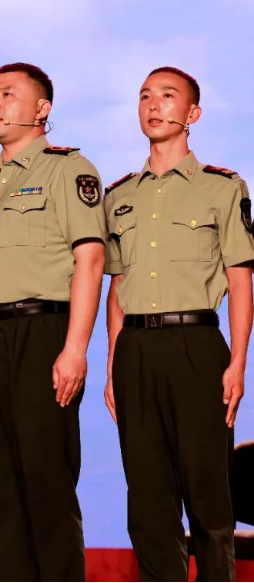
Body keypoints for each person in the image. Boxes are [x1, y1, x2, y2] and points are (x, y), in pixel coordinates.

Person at [103, 67, 254, 582]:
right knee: (147, 499)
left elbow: (240, 280)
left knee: (208, 495)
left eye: (168, 96)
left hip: (197, 346)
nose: (154, 105)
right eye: (145, 96)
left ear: (193, 114)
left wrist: (237, 362)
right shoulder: (119, 196)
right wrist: (112, 365)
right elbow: (118, 287)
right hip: (135, 351)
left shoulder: (223, 188)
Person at [0, 63, 107, 581]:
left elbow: (90, 260)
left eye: (8, 94)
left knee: (47, 484)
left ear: (42, 109)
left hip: (41, 335)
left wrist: (75, 349)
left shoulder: (68, 170)